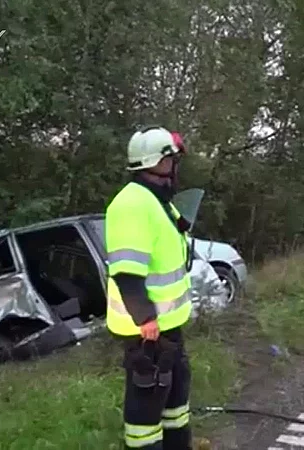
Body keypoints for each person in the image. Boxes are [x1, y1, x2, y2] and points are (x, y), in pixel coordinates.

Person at [105, 126, 194, 449]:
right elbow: (126, 273)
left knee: (175, 398)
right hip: (148, 332)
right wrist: (145, 319)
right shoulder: (132, 205)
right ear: (159, 161)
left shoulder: (157, 199)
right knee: (146, 409)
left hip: (167, 327)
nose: (175, 166)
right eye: (172, 159)